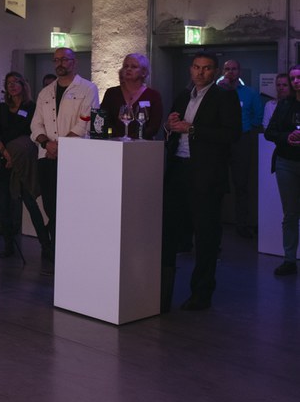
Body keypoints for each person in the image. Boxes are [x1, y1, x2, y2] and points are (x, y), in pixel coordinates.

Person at [161, 52, 241, 312]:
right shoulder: (184, 96)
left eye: (206, 69)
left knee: (206, 236)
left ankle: (202, 293)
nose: (200, 73)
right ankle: (163, 291)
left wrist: (192, 129)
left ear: (215, 72)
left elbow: (232, 134)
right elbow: (174, 128)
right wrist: (169, 126)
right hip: (178, 170)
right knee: (169, 231)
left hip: (206, 174)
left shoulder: (224, 96)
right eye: (196, 67)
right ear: (190, 69)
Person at [30, 47, 99, 274]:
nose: (60, 63)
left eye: (64, 60)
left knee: (70, 207)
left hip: (74, 159)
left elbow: (85, 121)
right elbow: (35, 125)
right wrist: (47, 144)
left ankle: (66, 250)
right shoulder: (45, 92)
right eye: (56, 60)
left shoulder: (88, 88)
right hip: (46, 157)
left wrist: (62, 147)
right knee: (50, 205)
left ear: (74, 62)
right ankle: (55, 247)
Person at [0, 72, 50, 259]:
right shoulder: (0, 108)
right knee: (5, 204)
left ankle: (45, 245)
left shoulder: (31, 108)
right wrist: (5, 153)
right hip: (3, 161)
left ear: (24, 85)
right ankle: (8, 244)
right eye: (9, 83)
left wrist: (13, 154)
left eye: (16, 82)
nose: (12, 86)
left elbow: (30, 134)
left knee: (30, 203)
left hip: (22, 163)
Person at [219, 59, 264, 239]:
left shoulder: (250, 93)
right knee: (217, 182)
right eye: (227, 69)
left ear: (240, 72)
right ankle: (216, 221)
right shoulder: (216, 92)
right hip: (220, 141)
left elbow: (257, 117)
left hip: (242, 140)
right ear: (222, 71)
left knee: (241, 184)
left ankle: (241, 223)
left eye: (234, 69)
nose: (231, 72)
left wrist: (244, 128)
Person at [263, 65, 300, 276]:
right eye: (293, 78)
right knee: (290, 213)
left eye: (299, 78)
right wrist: (287, 137)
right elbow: (270, 132)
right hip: (286, 162)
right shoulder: (285, 104)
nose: (296, 82)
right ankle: (289, 259)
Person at [99, 53, 163, 139]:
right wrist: (119, 137)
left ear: (143, 72)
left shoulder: (153, 95)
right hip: (115, 143)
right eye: (126, 66)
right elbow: (104, 119)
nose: (128, 69)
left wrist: (134, 138)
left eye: (133, 67)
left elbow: (154, 126)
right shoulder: (111, 93)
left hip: (142, 145)